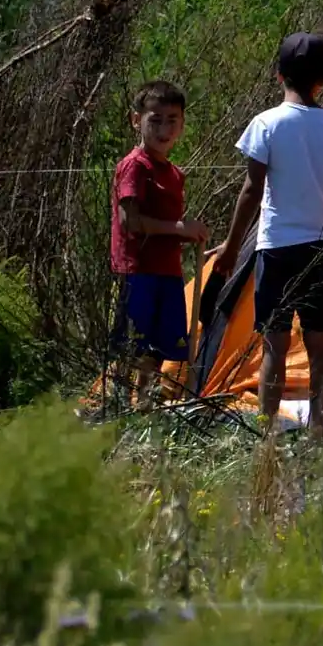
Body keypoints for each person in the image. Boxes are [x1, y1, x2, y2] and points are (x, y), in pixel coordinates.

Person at [210, 32, 323, 437]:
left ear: (279, 76)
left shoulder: (266, 124)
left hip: (277, 249)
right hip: (322, 250)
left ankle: (266, 435)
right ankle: (318, 431)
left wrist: (230, 246)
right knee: (318, 347)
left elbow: (251, 190)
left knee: (274, 348)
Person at [109, 80, 209, 410]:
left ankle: (144, 409)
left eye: (172, 120)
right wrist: (179, 228)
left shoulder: (174, 174)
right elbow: (131, 221)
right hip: (138, 271)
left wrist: (188, 236)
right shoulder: (135, 166)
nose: (164, 129)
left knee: (156, 349)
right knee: (132, 346)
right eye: (155, 120)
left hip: (167, 272)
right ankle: (119, 408)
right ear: (136, 120)